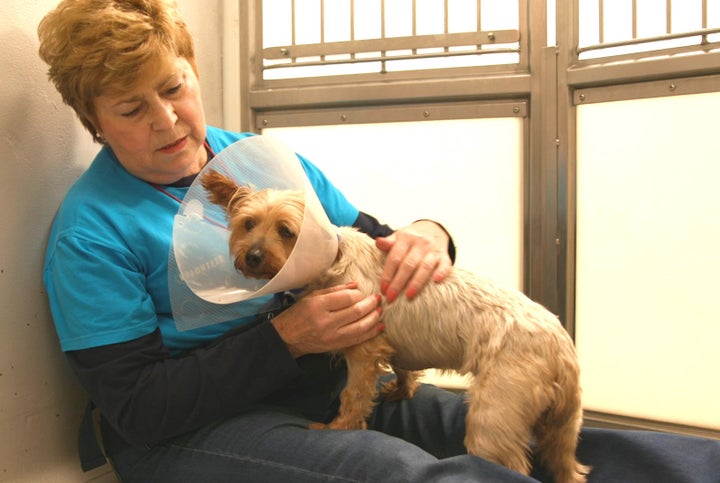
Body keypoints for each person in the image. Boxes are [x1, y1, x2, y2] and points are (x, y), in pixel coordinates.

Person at [38, 1, 719, 482]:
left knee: (537, 437)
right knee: (403, 472)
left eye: (174, 87)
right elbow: (137, 408)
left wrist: (432, 234)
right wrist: (287, 339)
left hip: (328, 385)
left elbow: (377, 247)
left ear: (191, 69)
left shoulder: (262, 162)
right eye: (132, 108)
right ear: (93, 121)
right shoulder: (91, 232)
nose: (168, 120)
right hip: (181, 433)